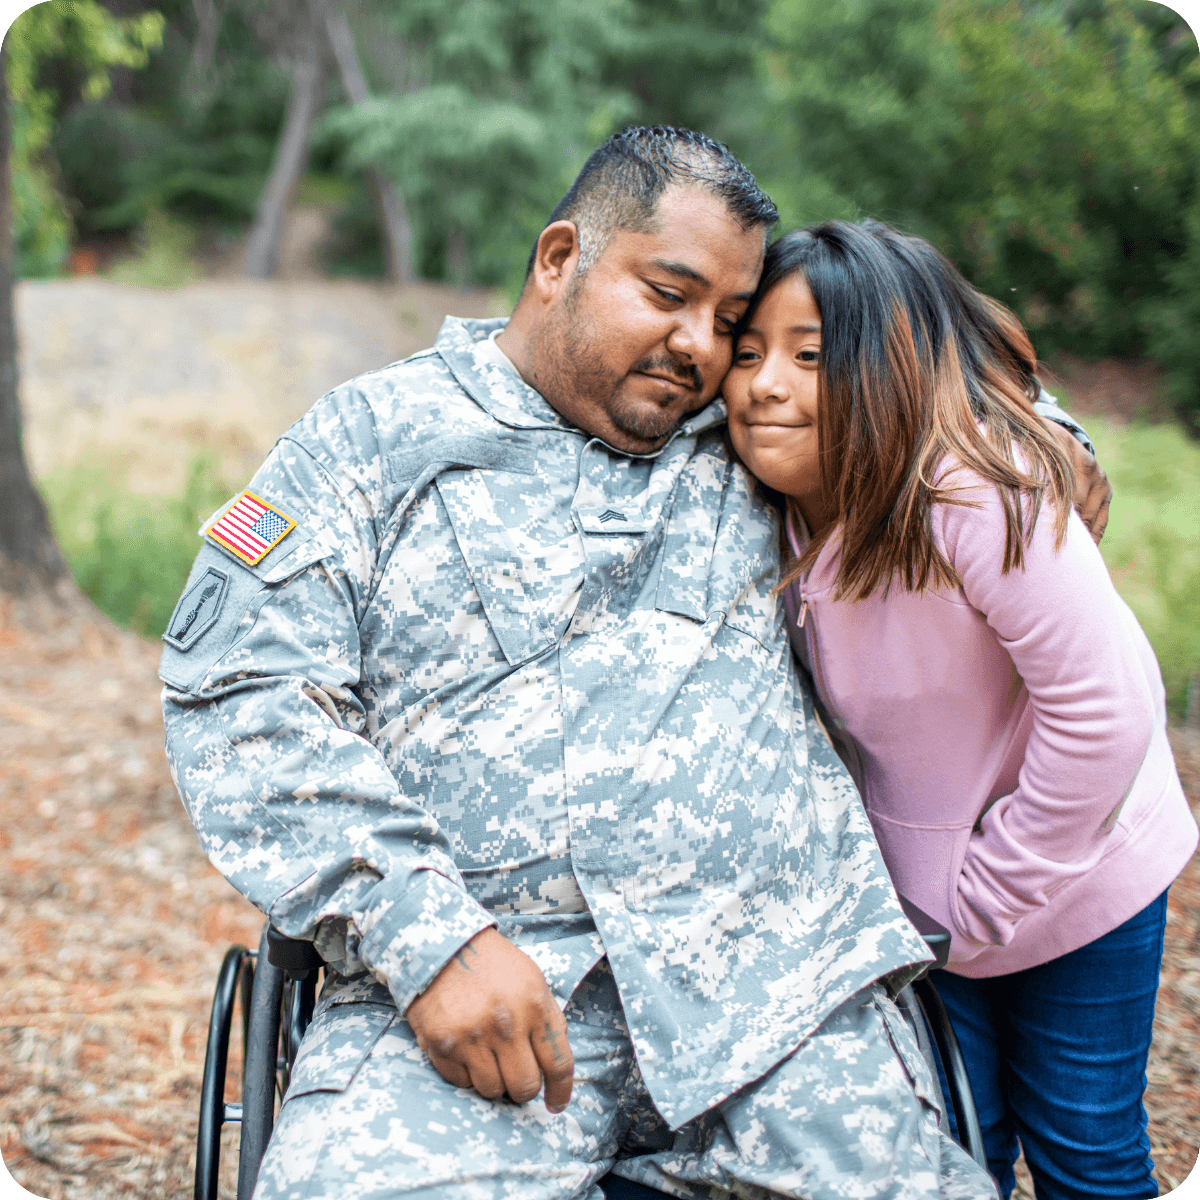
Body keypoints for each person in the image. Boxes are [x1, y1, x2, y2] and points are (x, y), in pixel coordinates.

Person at [160, 127, 1099, 1200]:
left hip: (782, 998)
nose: (702, 347)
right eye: (668, 293)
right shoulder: (368, 444)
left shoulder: (751, 430)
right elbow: (241, 693)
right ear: (560, 257)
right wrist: (427, 934)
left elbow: (912, 373)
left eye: (731, 325)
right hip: (483, 1003)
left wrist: (1044, 434)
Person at [722, 219, 1196, 1200]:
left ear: (889, 369)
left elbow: (1107, 713)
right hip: (928, 910)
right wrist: (943, 913)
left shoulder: (976, 496)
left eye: (810, 356)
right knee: (949, 1153)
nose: (765, 382)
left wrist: (987, 897)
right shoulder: (768, 503)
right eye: (750, 353)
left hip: (1076, 871)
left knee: (1083, 1148)